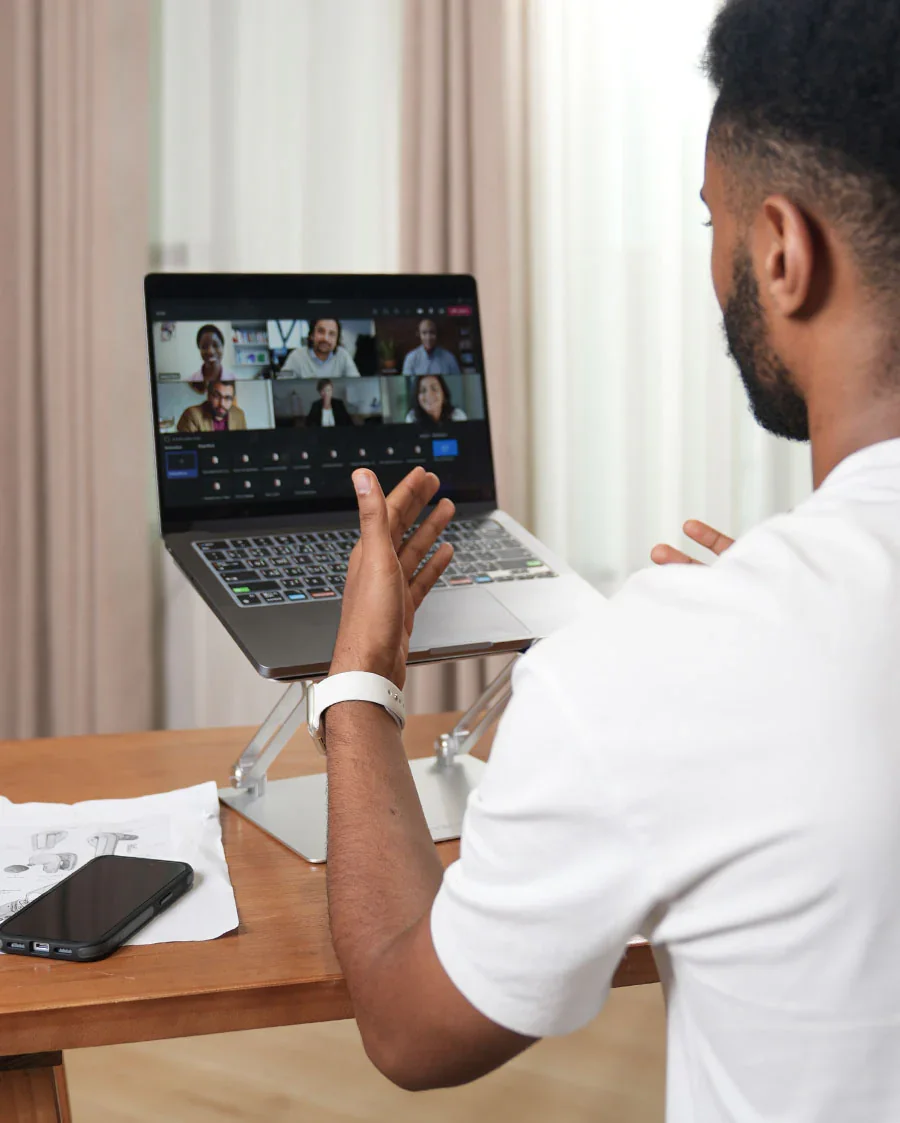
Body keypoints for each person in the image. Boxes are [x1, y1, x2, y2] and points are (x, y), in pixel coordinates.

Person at [317, 0, 900, 1116]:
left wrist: (359, 683)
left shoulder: (661, 669)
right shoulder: (710, 659)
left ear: (783, 251)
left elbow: (409, 1021)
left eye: (714, 222)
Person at [278, 318, 360, 379]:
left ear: (337, 339)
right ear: (312, 335)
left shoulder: (343, 356)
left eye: (331, 334)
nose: (325, 338)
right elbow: (281, 385)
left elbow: (356, 385)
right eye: (321, 331)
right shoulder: (296, 356)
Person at [177, 380, 247, 433]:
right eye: (217, 396)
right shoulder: (192, 415)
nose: (222, 404)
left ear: (233, 399)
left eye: (227, 398)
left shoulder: (239, 414)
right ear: (208, 396)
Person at [187, 324, 238, 393]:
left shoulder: (235, 380)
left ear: (222, 347)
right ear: (199, 350)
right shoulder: (190, 382)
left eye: (215, 345)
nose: (210, 351)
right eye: (204, 347)